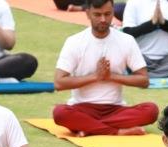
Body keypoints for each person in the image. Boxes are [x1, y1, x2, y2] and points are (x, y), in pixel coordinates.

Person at [53, 0, 158, 136]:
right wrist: (95, 76)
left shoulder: (126, 40)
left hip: (115, 109)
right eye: (97, 15)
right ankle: (118, 132)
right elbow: (59, 83)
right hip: (82, 108)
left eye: (107, 14)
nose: (103, 19)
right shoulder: (74, 42)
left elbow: (144, 80)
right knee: (60, 113)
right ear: (88, 14)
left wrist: (111, 77)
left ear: (113, 12)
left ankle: (88, 127)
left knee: (151, 110)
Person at [121, 0, 168, 78]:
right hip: (142, 57)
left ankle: (150, 75)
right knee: (126, 55)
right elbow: (128, 33)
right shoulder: (133, 2)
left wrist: (164, 23)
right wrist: (152, 24)